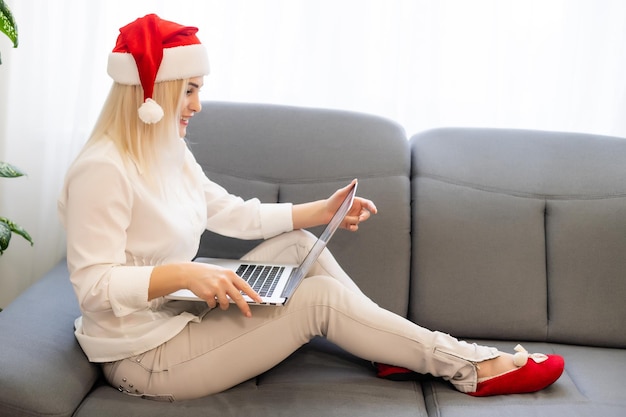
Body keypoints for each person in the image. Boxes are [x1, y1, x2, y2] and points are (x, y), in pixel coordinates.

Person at [58, 14, 564, 401]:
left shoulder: (166, 152)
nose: (198, 105)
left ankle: (395, 352)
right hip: (144, 357)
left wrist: (321, 211)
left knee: (301, 247)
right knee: (317, 300)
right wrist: (185, 275)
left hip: (177, 318)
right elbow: (93, 286)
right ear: (153, 94)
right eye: (189, 90)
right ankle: (469, 366)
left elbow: (231, 212)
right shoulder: (102, 170)